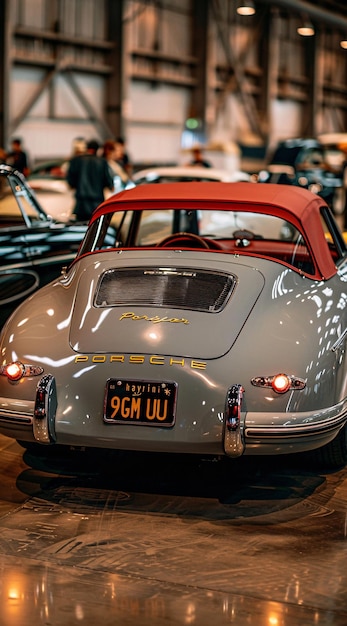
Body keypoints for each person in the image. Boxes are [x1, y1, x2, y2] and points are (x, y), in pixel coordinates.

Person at [67, 139, 114, 222]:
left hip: (81, 204)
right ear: (97, 150)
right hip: (97, 204)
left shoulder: (76, 161)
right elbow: (108, 181)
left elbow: (71, 181)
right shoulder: (102, 162)